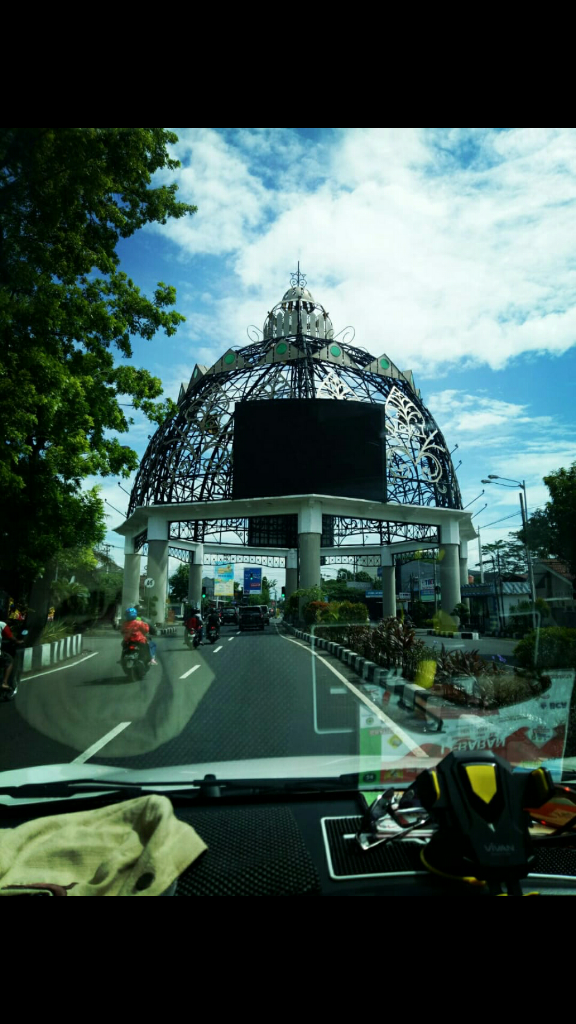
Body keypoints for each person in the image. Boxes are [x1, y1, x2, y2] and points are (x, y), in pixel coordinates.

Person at [0, 620, 23, 692]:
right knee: (9, 661)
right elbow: (10, 637)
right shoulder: (1, 624)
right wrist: (17, 641)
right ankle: (4, 683)